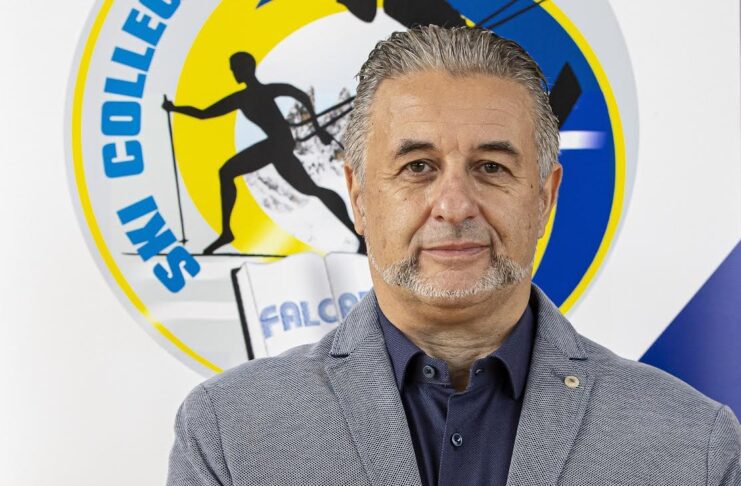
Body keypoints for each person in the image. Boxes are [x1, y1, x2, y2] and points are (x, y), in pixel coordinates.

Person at [167, 26, 740, 485]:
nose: (454, 205)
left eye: (491, 167)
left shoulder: (694, 445)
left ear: (545, 198)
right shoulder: (229, 435)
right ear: (359, 197)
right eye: (418, 166)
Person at [162, 51, 364, 255]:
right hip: (278, 145)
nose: (233, 72)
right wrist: (175, 108)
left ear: (246, 69)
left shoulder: (258, 93)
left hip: (278, 144)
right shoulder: (243, 97)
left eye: (235, 68)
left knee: (228, 172)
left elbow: (300, 95)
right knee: (312, 190)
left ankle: (227, 232)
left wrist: (318, 128)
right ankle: (358, 234)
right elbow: (204, 114)